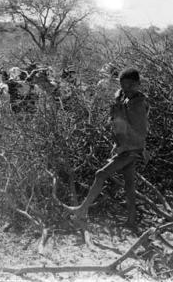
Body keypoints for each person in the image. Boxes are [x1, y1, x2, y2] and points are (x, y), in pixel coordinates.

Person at [67, 67, 150, 227]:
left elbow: (140, 132)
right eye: (123, 85)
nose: (126, 88)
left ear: (138, 84)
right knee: (129, 185)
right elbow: (119, 123)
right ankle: (131, 221)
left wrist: (123, 147)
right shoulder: (125, 98)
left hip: (132, 149)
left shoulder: (138, 104)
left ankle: (82, 210)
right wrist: (117, 144)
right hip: (126, 148)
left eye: (130, 85)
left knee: (101, 174)